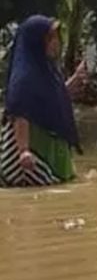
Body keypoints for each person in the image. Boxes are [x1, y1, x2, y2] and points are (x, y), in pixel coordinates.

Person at [0, 15, 86, 187]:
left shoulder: (46, 70)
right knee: (45, 189)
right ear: (37, 41)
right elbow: (20, 112)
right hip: (34, 150)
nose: (56, 43)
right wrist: (23, 151)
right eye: (51, 38)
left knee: (60, 187)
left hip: (50, 147)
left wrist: (72, 83)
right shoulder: (24, 77)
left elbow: (50, 100)